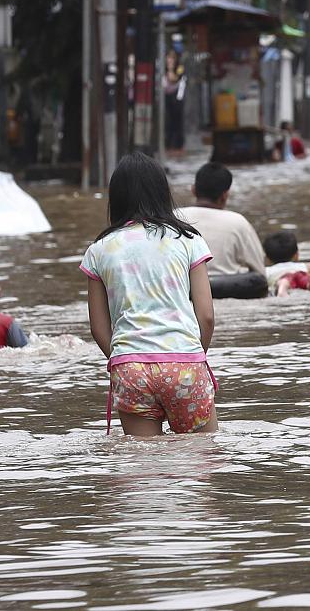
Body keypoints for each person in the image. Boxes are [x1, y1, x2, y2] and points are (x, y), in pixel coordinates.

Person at [82, 153, 217, 436]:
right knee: (201, 461)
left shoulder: (99, 249)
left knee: (143, 469)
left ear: (116, 197)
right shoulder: (187, 240)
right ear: (162, 192)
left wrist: (125, 357)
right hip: (184, 362)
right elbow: (206, 315)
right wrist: (191, 357)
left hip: (130, 367)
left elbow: (98, 328)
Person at [175, 162, 265, 277]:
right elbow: (260, 271)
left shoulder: (174, 217)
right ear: (225, 195)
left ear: (193, 190)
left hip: (185, 288)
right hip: (230, 288)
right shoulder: (238, 222)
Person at [261, 231, 310, 296]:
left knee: (282, 282)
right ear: (297, 255)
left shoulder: (267, 271)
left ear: (267, 259)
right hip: (299, 275)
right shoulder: (301, 266)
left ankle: (282, 288)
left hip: (284, 279)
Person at [163, 51, 186, 154]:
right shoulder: (163, 68)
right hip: (167, 96)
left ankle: (179, 145)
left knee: (178, 122)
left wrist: (171, 69)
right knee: (168, 122)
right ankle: (168, 144)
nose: (170, 60)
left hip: (177, 96)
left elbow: (174, 79)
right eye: (168, 58)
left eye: (172, 58)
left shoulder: (179, 68)